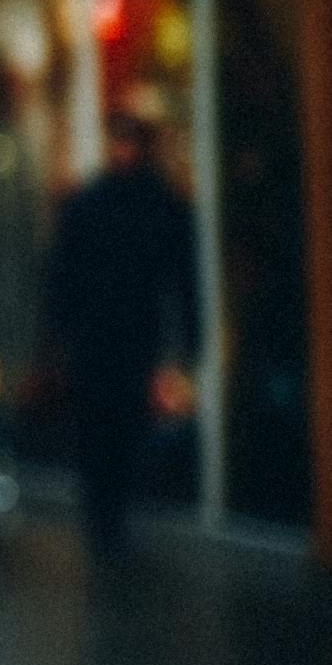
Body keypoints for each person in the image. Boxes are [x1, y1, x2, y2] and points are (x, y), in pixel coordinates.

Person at [44, 111, 200, 556]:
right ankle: (104, 516)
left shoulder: (157, 205)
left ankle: (113, 514)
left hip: (131, 335)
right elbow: (63, 273)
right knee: (99, 427)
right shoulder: (95, 203)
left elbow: (181, 277)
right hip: (99, 336)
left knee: (124, 426)